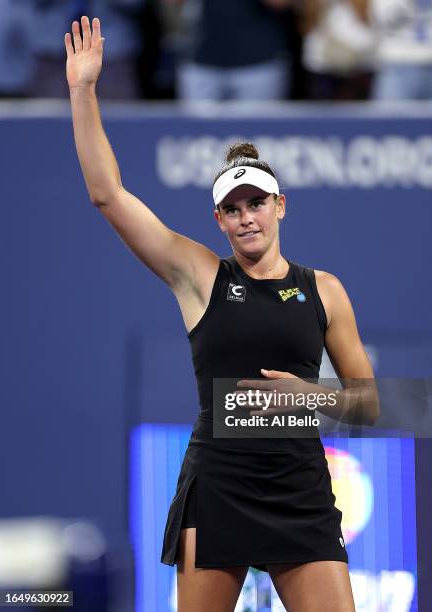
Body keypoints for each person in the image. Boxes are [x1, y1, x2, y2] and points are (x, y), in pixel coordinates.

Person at [65, 17, 379, 611]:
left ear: (280, 206)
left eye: (256, 203)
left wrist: (307, 397)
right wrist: (83, 90)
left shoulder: (326, 290)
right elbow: (107, 194)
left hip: (301, 491)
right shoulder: (200, 274)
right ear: (218, 221)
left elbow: (368, 402)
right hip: (221, 487)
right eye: (231, 209)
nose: (246, 218)